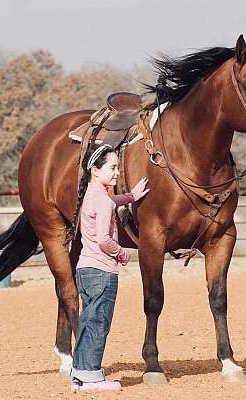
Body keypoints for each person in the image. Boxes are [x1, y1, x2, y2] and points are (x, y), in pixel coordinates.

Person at [70, 143, 149, 392]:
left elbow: (110, 202)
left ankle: (80, 373)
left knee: (88, 321)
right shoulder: (102, 200)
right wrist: (123, 253)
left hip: (86, 270)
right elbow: (104, 239)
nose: (117, 173)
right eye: (112, 168)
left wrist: (131, 196)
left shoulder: (93, 194)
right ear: (95, 170)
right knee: (98, 323)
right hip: (102, 271)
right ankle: (91, 378)